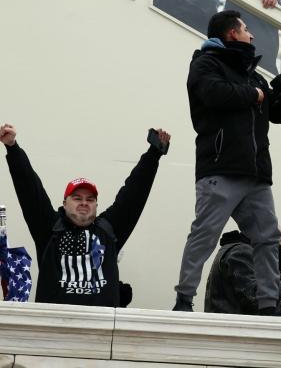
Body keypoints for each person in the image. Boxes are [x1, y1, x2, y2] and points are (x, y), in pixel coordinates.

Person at [174, 10, 281, 314]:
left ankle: (269, 305)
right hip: (220, 168)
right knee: (204, 235)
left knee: (268, 238)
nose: (252, 35)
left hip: (255, 173)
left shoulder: (251, 74)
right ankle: (183, 300)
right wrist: (253, 95)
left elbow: (276, 112)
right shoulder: (205, 64)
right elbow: (213, 93)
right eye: (246, 29)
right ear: (231, 33)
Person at [1, 122, 170, 306]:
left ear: (96, 205)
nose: (83, 203)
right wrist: (12, 147)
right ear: (65, 204)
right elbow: (30, 190)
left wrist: (154, 154)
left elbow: (134, 193)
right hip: (54, 328)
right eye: (77, 198)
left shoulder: (108, 230)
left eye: (90, 199)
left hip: (102, 329)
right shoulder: (49, 229)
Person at [204, 230, 281, 315]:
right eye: (278, 246)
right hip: (233, 329)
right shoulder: (241, 252)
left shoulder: (237, 249)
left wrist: (278, 267)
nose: (278, 251)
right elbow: (256, 298)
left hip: (228, 327)